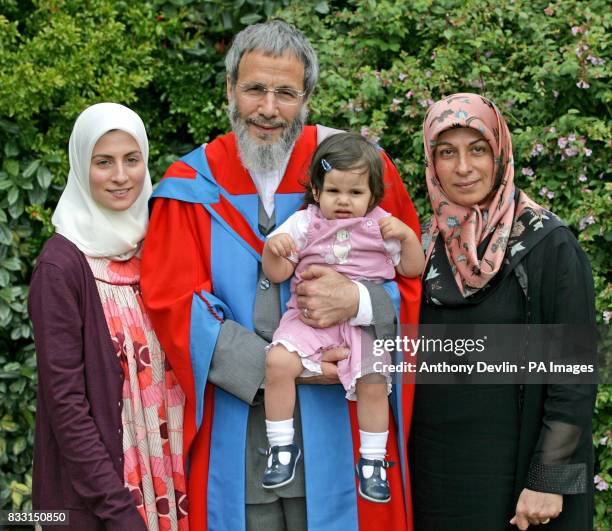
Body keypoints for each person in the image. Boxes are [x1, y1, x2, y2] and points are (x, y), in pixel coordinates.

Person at [140, 20, 421, 531]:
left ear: (308, 95)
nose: (269, 109)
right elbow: (173, 301)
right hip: (242, 441)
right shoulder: (190, 184)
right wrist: (277, 366)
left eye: (286, 93)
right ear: (230, 90)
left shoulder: (356, 170)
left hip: (346, 424)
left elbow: (409, 277)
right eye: (254, 89)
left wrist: (358, 302)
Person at [410, 93, 596, 530]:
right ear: (430, 163)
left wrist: (549, 478)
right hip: (434, 480)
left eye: (477, 150)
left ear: (500, 155)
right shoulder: (420, 249)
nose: (463, 167)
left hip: (519, 487)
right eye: (446, 153)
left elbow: (574, 376)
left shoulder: (547, 244)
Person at [28, 103, 188, 530]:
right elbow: (66, 405)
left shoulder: (157, 244)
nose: (121, 176)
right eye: (104, 162)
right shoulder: (61, 266)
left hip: (172, 478)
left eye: (131, 160)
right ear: (82, 167)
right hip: (104, 498)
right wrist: (118, 510)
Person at [261, 132, 424, 504]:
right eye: (334, 191)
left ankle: (373, 461)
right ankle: (281, 448)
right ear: (317, 192)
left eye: (356, 193)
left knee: (373, 379)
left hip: (362, 323)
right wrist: (275, 249)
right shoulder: (304, 223)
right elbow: (278, 274)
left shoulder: (383, 225)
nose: (344, 201)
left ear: (373, 196)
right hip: (309, 318)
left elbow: (412, 270)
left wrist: (409, 239)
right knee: (277, 362)